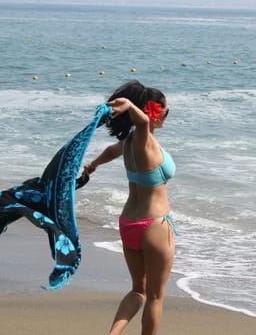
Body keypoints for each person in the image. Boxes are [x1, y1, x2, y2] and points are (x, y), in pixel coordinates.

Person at [83, 80, 176, 335]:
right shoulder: (143, 138)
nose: (167, 116)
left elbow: (112, 150)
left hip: (128, 224)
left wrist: (93, 165)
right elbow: (143, 123)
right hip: (155, 225)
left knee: (138, 290)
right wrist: (131, 107)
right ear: (155, 112)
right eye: (166, 111)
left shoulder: (131, 142)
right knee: (155, 297)